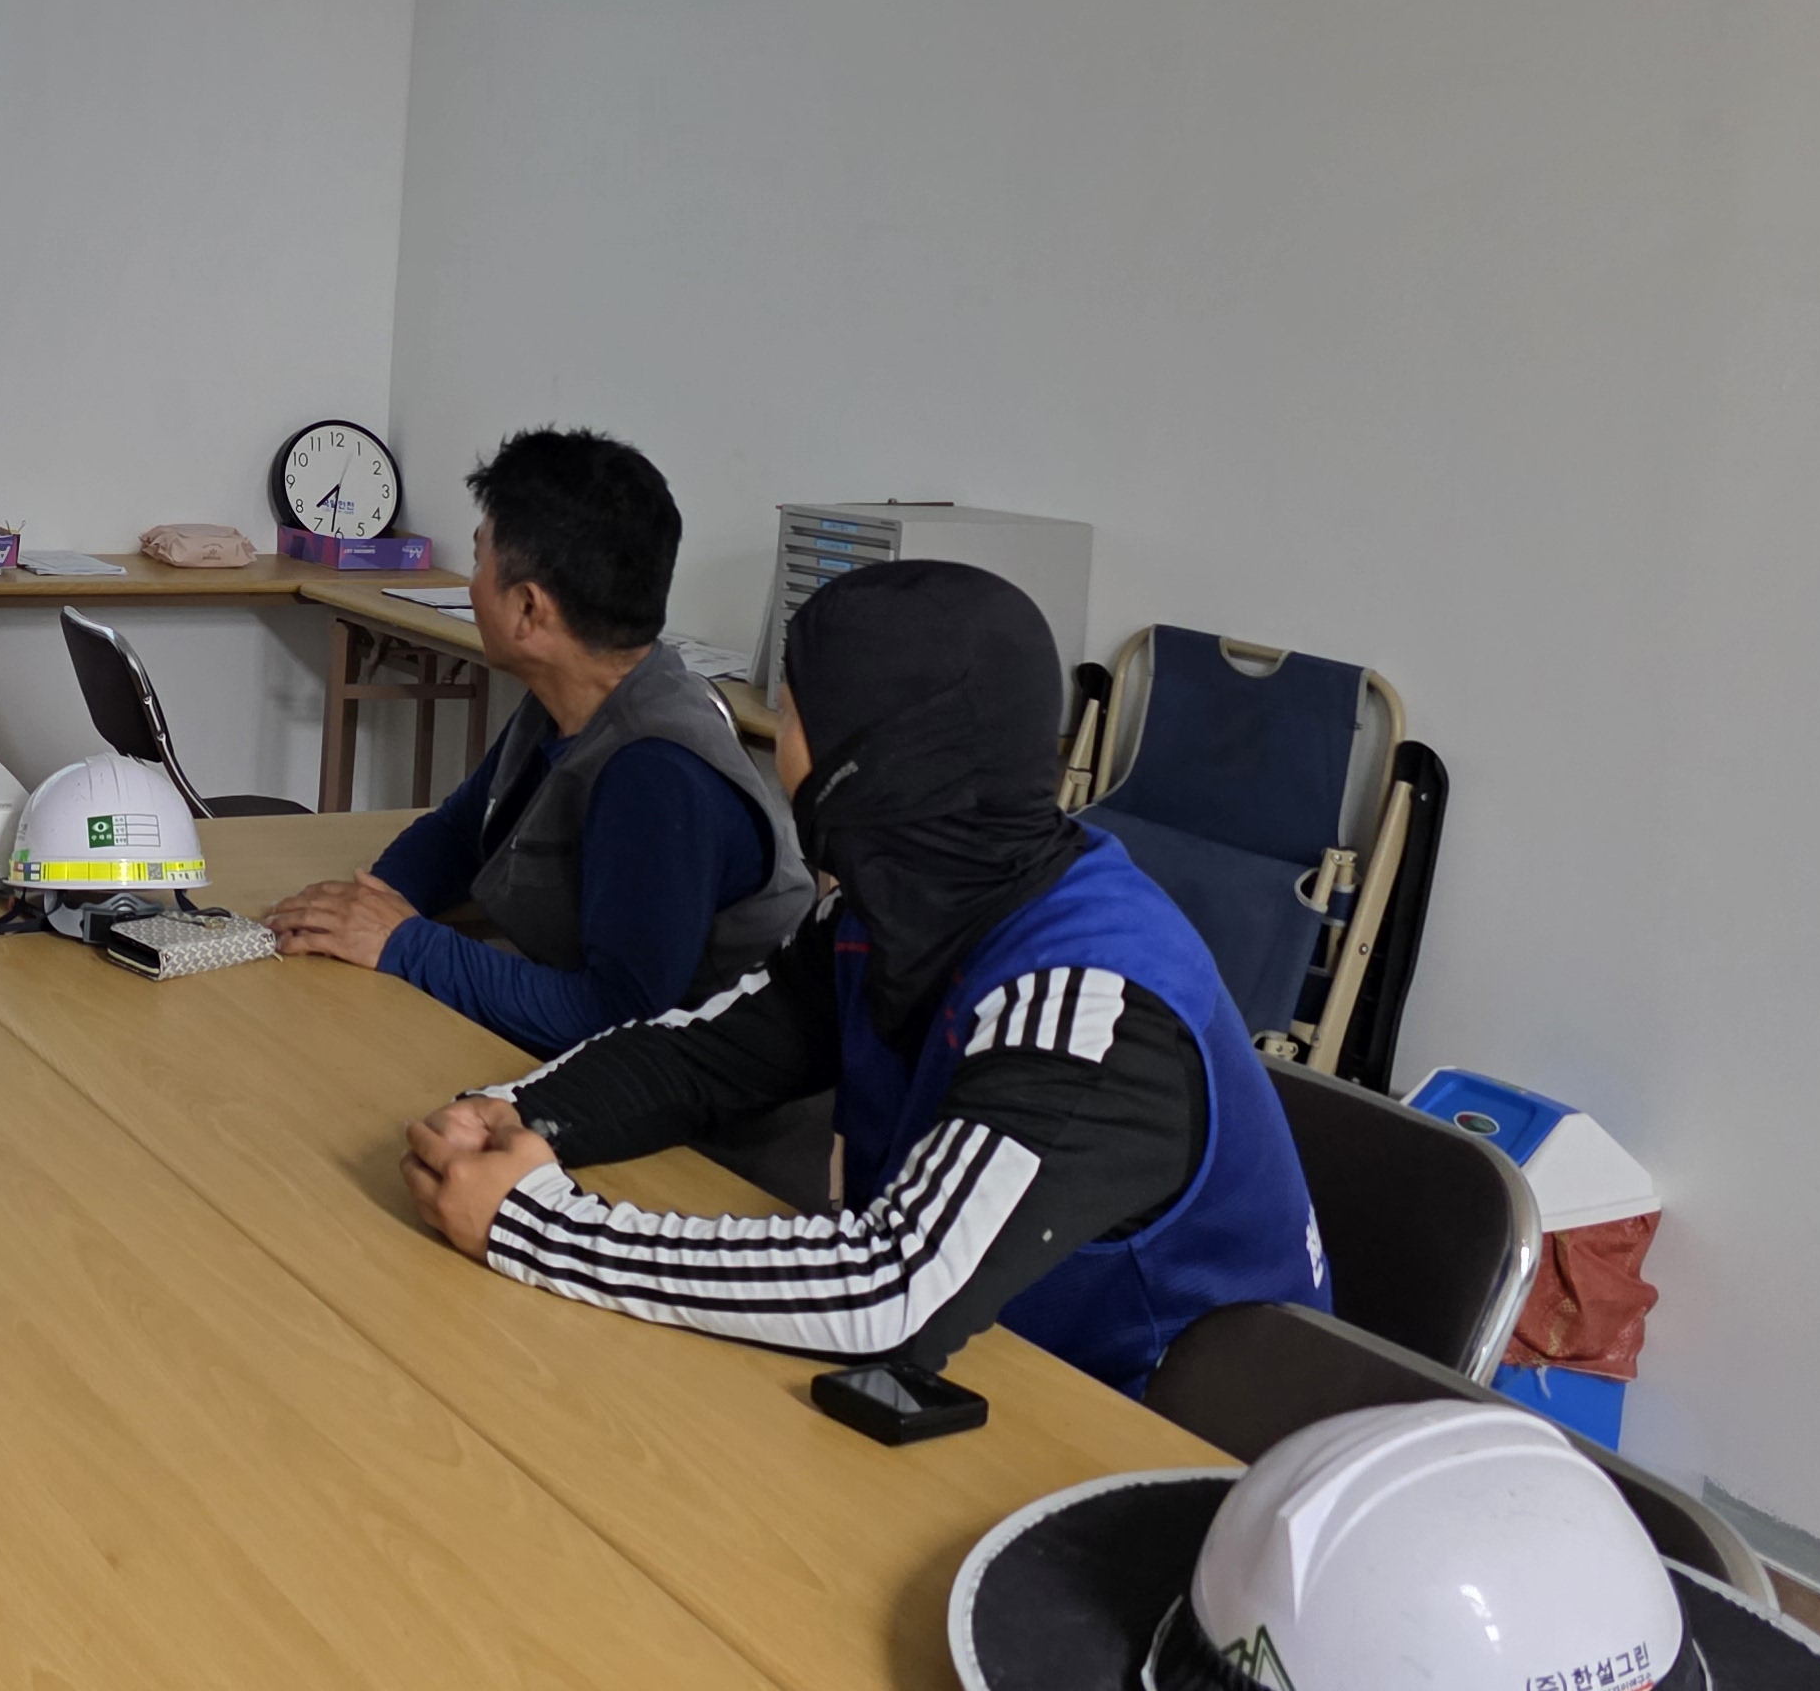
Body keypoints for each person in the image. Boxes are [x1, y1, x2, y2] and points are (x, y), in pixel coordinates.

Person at [395, 559, 1327, 1392]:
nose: (781, 749)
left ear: (862, 765)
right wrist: (512, 1116)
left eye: (795, 717)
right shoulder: (895, 913)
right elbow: (704, 1058)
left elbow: (894, 1285)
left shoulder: (1091, 1001)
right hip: (991, 1360)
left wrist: (538, 1229)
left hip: (1154, 1435)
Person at [265, 429, 811, 1056]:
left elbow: (614, 1016)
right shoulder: (569, 700)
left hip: (718, 1096)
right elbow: (463, 832)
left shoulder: (657, 773)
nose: (472, 586)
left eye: (479, 563)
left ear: (528, 610)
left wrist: (403, 942)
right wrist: (370, 905)